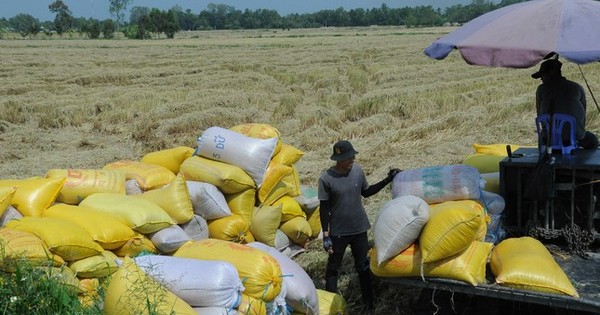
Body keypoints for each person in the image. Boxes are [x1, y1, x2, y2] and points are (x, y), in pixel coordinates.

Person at [318, 140, 400, 311]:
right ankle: (329, 307)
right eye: (348, 158)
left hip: (359, 229)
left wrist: (387, 179)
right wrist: (326, 235)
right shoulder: (326, 179)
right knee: (333, 269)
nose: (352, 160)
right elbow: (324, 209)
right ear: (338, 159)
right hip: (339, 232)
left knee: (363, 267)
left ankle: (369, 304)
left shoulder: (357, 171)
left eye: (353, 156)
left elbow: (366, 192)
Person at [532, 58, 599, 149]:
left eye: (543, 75)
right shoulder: (577, 88)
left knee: (542, 141)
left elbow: (540, 116)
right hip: (574, 137)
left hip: (549, 139)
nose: (541, 79)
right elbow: (582, 117)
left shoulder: (541, 90)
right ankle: (579, 158)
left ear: (551, 73)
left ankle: (545, 158)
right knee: (593, 141)